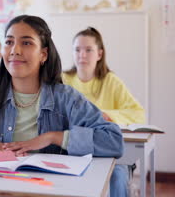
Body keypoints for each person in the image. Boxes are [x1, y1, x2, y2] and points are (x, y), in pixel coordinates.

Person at [0, 14, 123, 161]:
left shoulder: (66, 98)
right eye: (9, 42)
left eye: (26, 43)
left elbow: (113, 141)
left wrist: (53, 137)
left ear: (43, 54)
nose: (15, 50)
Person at [62, 27, 146, 197]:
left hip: (107, 151)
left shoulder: (111, 81)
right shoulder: (63, 80)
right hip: (72, 150)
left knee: (116, 177)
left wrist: (107, 115)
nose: (82, 55)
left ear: (99, 54)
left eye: (88, 50)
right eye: (77, 50)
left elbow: (138, 114)